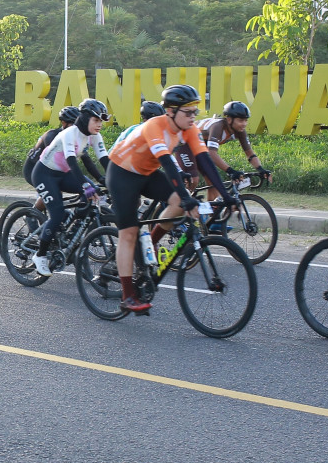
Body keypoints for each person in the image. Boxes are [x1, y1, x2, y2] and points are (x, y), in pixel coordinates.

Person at [107, 85, 236, 313]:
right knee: (129, 233)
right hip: (122, 174)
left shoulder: (189, 129)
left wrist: (226, 196)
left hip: (146, 173)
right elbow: (167, 163)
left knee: (178, 203)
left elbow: (205, 161)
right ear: (170, 111)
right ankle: (128, 296)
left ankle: (151, 243)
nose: (193, 116)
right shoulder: (154, 126)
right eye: (188, 112)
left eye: (195, 111)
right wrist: (187, 197)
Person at [29, 98, 112, 277]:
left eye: (101, 121)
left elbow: (105, 159)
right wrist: (86, 185)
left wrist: (112, 180)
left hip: (64, 174)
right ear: (85, 118)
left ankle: (70, 232)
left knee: (92, 194)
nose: (99, 125)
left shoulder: (94, 135)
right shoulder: (69, 133)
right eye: (96, 120)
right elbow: (72, 161)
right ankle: (40, 255)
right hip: (45, 174)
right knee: (57, 213)